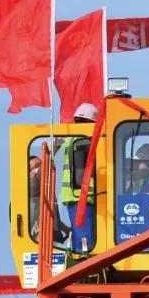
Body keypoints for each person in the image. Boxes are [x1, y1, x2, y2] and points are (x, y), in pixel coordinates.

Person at [60, 102, 98, 254]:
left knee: (80, 237)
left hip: (74, 198)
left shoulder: (69, 138)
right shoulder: (84, 140)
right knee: (86, 244)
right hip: (83, 198)